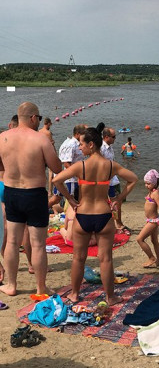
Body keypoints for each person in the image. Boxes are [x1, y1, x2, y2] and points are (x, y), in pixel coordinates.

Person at [52, 127, 138, 303]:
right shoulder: (110, 165)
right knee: (105, 259)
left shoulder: (80, 166)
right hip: (104, 215)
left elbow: (56, 180)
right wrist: (118, 198)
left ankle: (74, 294)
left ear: (91, 144)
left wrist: (70, 199)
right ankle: (110, 297)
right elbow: (133, 179)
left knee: (78, 258)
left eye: (82, 144)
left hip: (83, 215)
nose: (80, 147)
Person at [0, 103, 64, 297]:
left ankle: (11, 285)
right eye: (39, 118)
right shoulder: (41, 139)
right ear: (33, 118)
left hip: (11, 192)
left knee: (12, 242)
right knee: (38, 244)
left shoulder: (2, 138)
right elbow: (57, 168)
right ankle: (40, 288)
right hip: (34, 194)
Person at [136, 169, 159, 268]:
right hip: (150, 220)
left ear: (154, 183)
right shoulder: (151, 192)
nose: (146, 185)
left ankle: (151, 258)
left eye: (148, 183)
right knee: (154, 241)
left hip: (153, 222)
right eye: (145, 183)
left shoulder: (155, 194)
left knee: (139, 239)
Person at [101, 128, 126, 232]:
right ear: (106, 137)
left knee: (117, 201)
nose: (115, 138)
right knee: (110, 202)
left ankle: (118, 222)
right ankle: (116, 223)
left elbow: (112, 161)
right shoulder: (101, 148)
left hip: (113, 179)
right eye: (113, 137)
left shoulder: (110, 147)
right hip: (105, 180)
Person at [58, 124, 87, 200]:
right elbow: (66, 164)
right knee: (73, 200)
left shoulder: (78, 144)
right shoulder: (71, 145)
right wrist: (78, 174)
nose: (85, 136)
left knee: (59, 198)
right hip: (72, 179)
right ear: (77, 134)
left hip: (76, 178)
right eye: (84, 134)